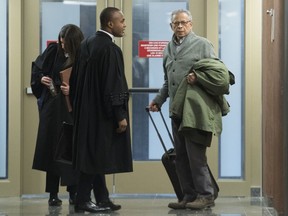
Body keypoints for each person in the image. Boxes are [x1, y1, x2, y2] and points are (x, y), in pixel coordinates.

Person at [149, 9, 230, 210]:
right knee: (181, 157)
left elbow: (218, 75)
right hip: (176, 111)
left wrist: (199, 79)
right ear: (171, 26)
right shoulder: (168, 49)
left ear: (191, 24)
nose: (180, 26)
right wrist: (159, 100)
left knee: (196, 156)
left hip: (195, 111)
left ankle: (206, 195)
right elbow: (168, 81)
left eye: (184, 23)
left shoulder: (202, 44)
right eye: (176, 23)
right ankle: (188, 195)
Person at [69, 7, 133, 213]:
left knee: (94, 154)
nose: (124, 25)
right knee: (95, 156)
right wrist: (120, 115)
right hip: (103, 114)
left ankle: (103, 198)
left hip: (85, 111)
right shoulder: (110, 49)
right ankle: (83, 200)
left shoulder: (86, 44)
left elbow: (75, 80)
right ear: (110, 24)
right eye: (121, 21)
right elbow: (113, 85)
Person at [31, 24, 84, 206]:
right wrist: (41, 79)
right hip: (53, 108)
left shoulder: (83, 55)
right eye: (61, 42)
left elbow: (88, 82)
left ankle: (73, 192)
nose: (63, 46)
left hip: (72, 107)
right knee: (52, 150)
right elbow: (37, 69)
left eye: (66, 43)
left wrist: (73, 89)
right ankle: (53, 194)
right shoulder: (53, 50)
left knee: (71, 150)